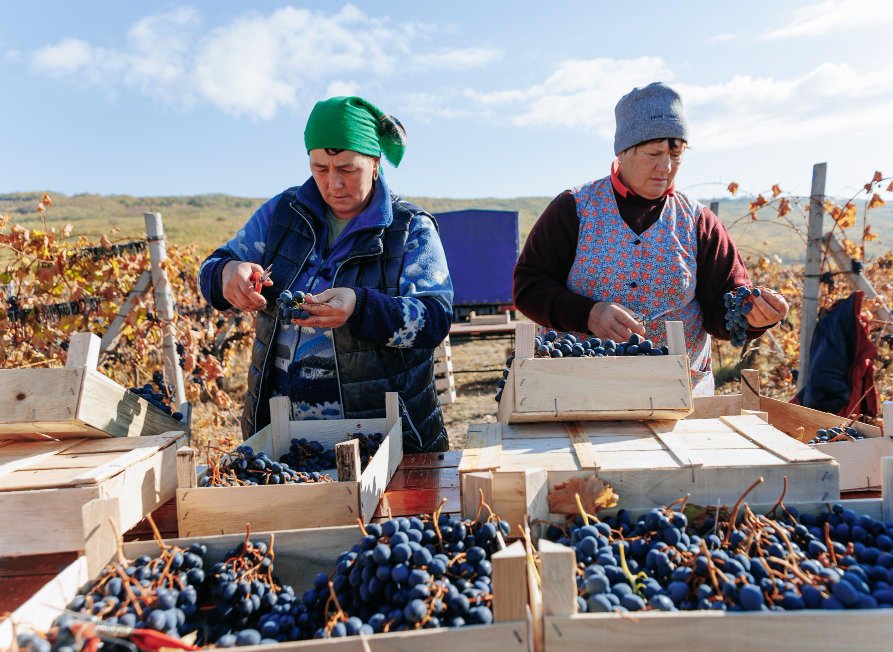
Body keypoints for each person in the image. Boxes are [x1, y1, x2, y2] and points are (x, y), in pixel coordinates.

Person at [199, 96, 453, 451]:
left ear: (376, 163)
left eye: (347, 169)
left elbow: (435, 319)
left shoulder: (409, 228)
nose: (333, 183)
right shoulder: (282, 214)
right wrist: (226, 273)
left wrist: (360, 307)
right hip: (283, 439)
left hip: (386, 440)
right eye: (320, 169)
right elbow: (211, 267)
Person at [513, 82, 788, 396]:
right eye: (654, 153)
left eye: (676, 154)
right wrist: (589, 314)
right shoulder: (575, 209)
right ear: (624, 151)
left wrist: (752, 315)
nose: (666, 166)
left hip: (679, 395)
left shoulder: (699, 222)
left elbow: (723, 307)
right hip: (581, 391)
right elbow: (528, 286)